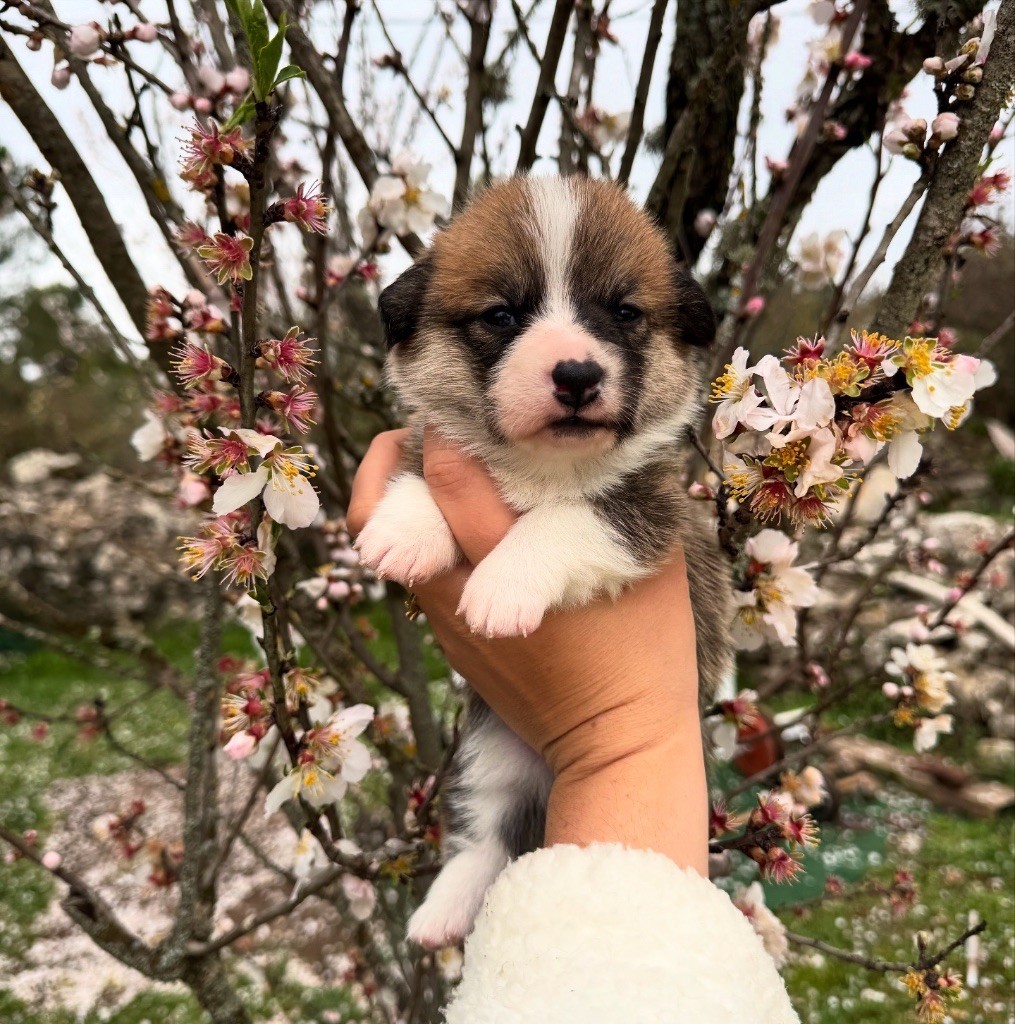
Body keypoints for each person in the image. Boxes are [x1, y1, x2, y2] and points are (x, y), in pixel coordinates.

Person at [348, 428, 799, 1024]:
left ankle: (494, 847)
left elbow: (630, 525)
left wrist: (613, 734)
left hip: (647, 667)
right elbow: (426, 479)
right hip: (567, 723)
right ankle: (485, 848)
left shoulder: (631, 465)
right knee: (496, 755)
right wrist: (420, 516)